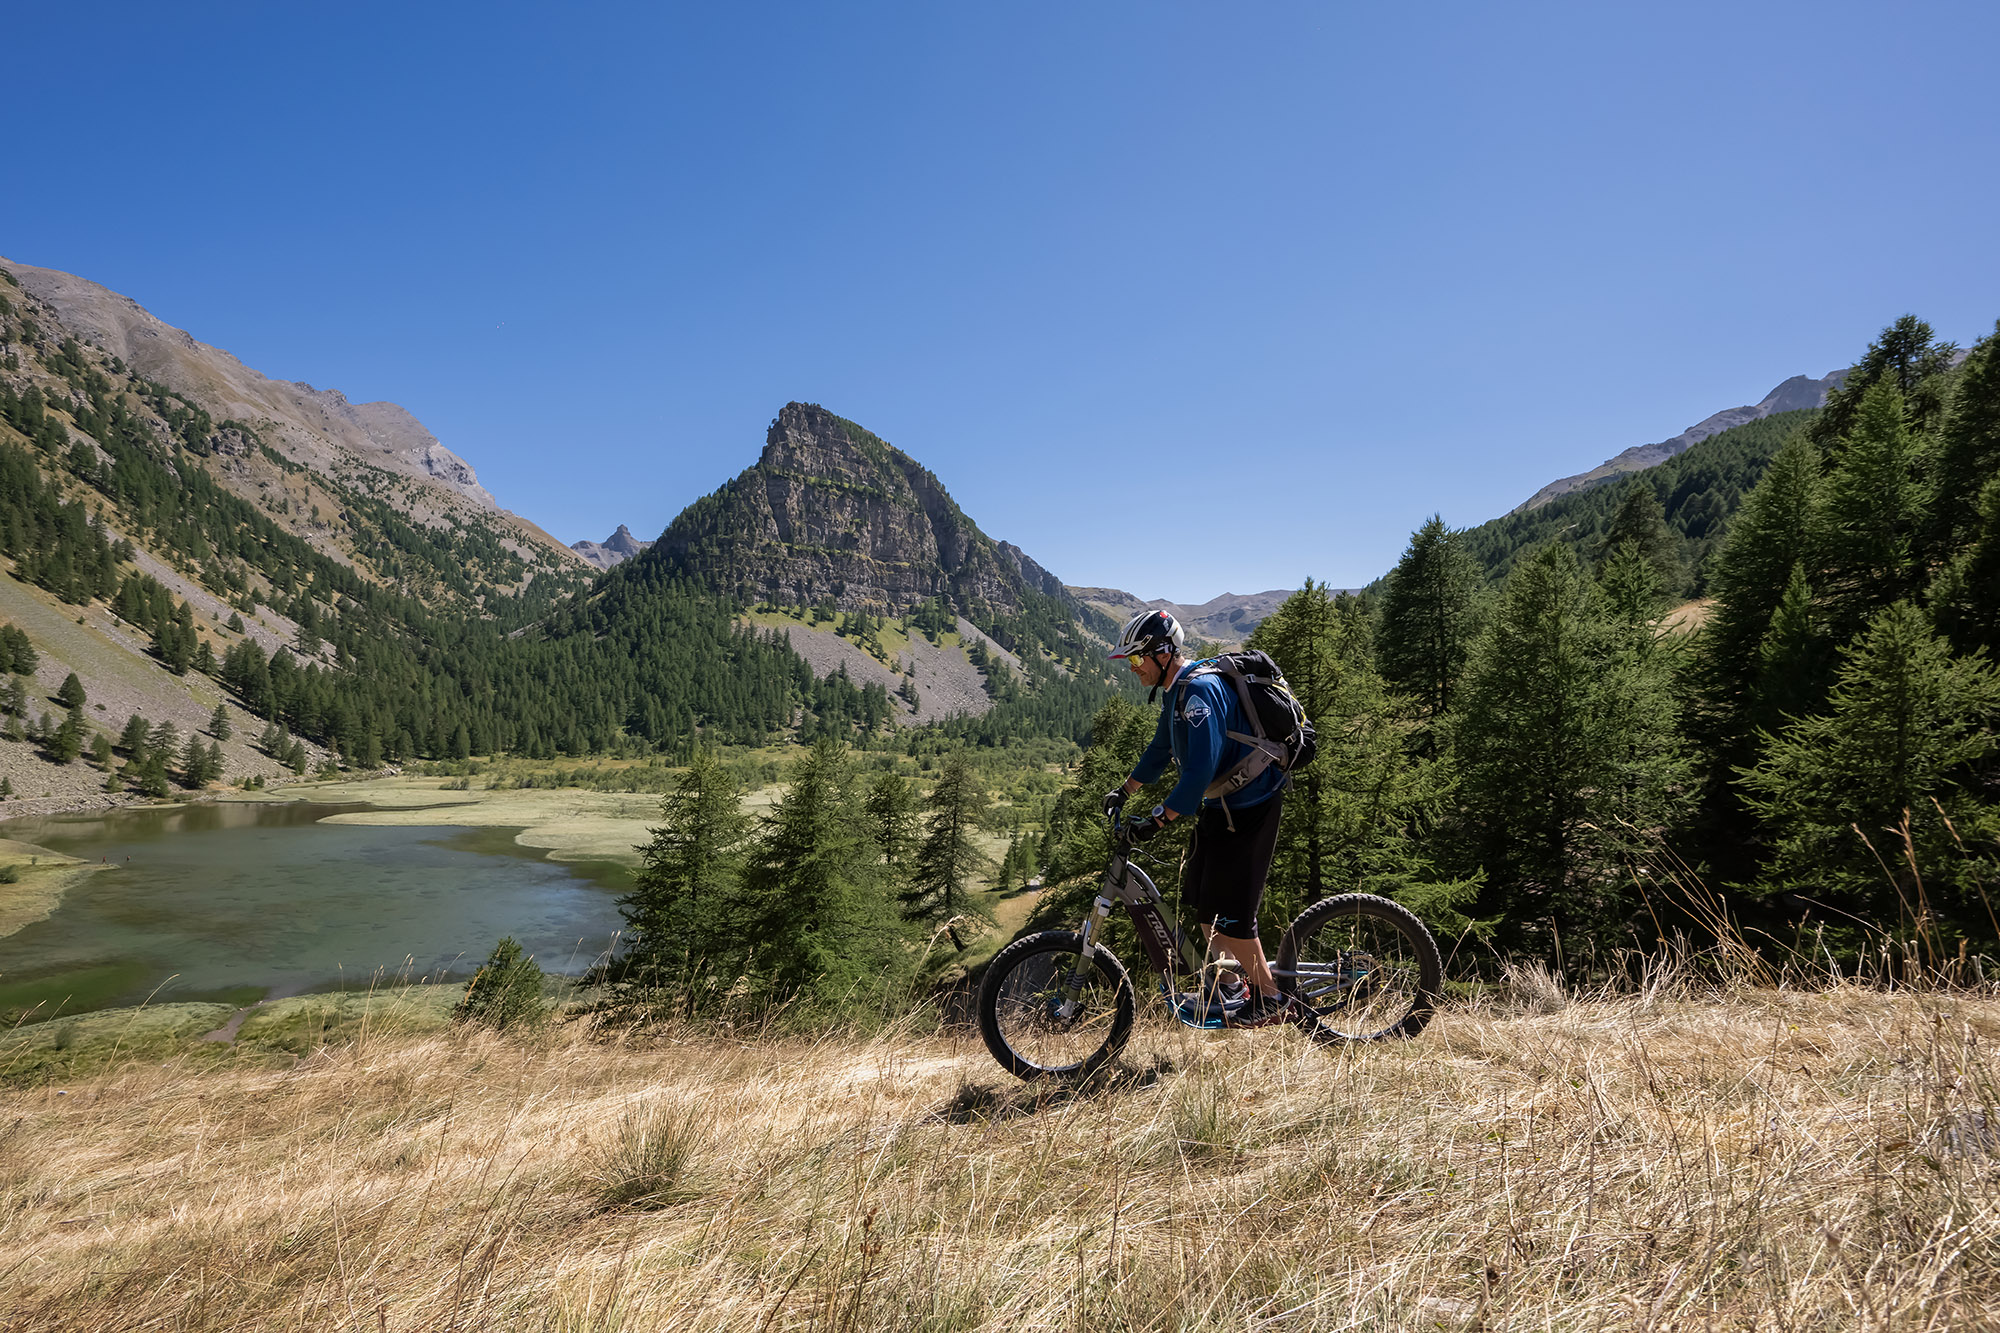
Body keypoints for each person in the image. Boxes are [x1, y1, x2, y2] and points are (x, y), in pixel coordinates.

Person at [1102, 609, 1292, 1027]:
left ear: (1163, 653)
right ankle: (1227, 986)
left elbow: (1199, 769)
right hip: (1222, 806)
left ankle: (1271, 996)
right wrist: (1125, 790)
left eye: (1137, 660)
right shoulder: (1177, 691)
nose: (1133, 669)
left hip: (1252, 804)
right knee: (1205, 905)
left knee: (1235, 915)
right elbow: (1159, 750)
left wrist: (1159, 819)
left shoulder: (1199, 692)